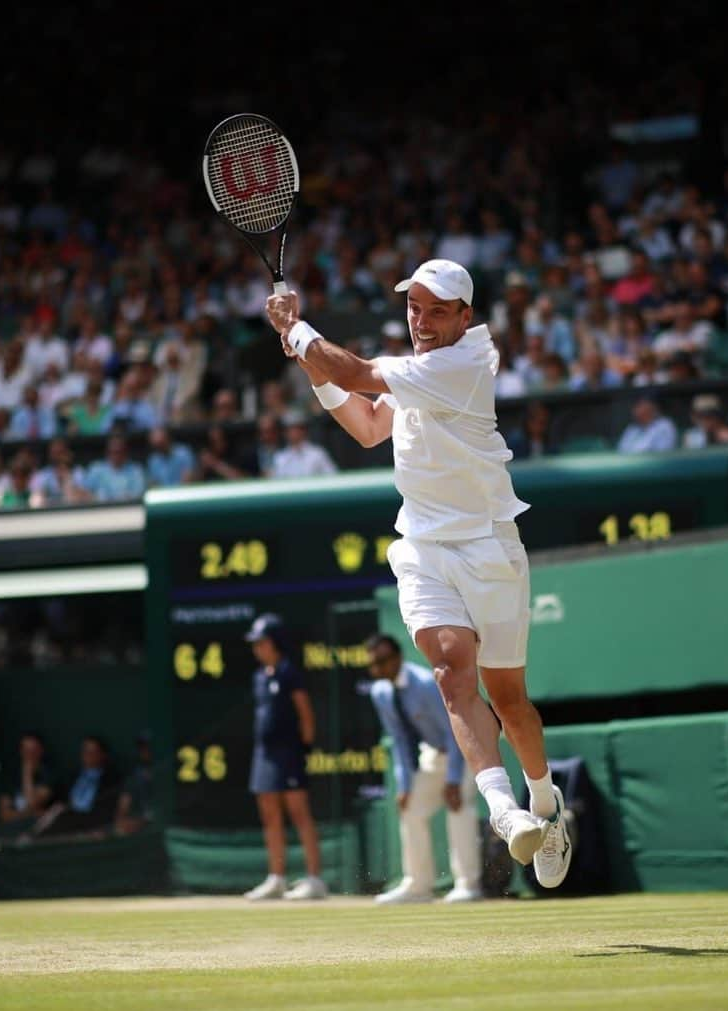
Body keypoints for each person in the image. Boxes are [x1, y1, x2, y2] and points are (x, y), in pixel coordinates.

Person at [265, 258, 572, 889]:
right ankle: (505, 813)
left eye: (438, 311)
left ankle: (546, 804)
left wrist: (299, 333)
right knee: (450, 672)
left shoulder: (459, 365)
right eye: (414, 308)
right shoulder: (415, 375)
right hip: (424, 547)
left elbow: (356, 372)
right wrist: (307, 357)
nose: (422, 321)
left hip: (489, 546)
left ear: (466, 316)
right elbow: (369, 425)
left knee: (510, 703)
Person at [365, 633, 483, 904]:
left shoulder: (426, 684)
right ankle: (418, 886)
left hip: (461, 750)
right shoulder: (380, 692)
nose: (377, 669)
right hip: (431, 755)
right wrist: (405, 785)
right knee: (411, 809)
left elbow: (455, 731)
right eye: (373, 663)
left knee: (458, 808)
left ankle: (468, 885)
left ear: (397, 659)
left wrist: (453, 779)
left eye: (382, 661)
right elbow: (400, 741)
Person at [241, 613, 327, 901]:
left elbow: (305, 714)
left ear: (275, 642)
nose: (257, 648)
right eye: (254, 643)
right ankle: (276, 878)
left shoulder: (290, 672)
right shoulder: (258, 677)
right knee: (269, 814)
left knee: (299, 813)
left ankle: (315, 879)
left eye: (261, 642)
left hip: (289, 752)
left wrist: (303, 747)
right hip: (263, 754)